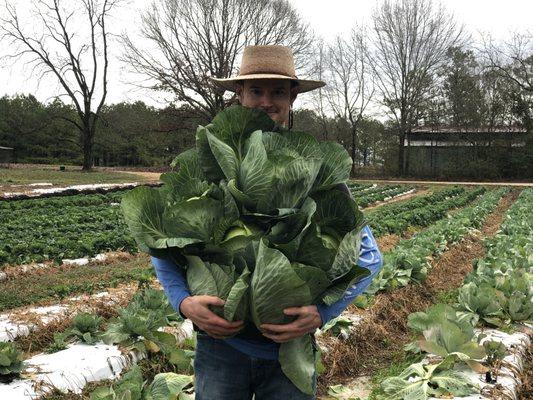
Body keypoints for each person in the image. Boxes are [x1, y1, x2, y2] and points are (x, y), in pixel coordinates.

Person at [151, 45, 383, 400]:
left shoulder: (319, 169)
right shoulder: (208, 161)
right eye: (256, 90)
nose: (266, 101)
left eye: (277, 92)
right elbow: (164, 240)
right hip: (220, 347)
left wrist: (322, 312)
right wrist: (183, 302)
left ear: (292, 98)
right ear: (239, 95)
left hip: (290, 349)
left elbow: (369, 255)